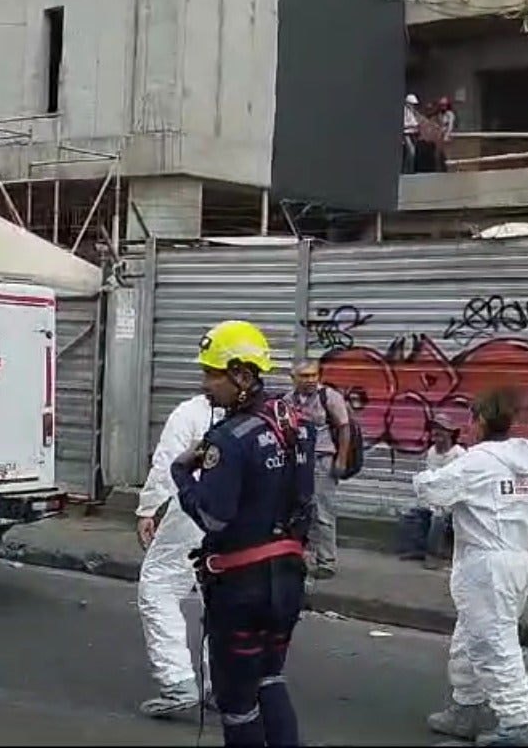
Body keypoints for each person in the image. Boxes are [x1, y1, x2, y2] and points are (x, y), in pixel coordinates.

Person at [172, 320, 316, 747]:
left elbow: (214, 518)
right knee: (270, 676)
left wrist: (183, 474)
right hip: (287, 578)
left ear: (242, 374)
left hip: (241, 587)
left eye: (211, 374)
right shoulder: (301, 423)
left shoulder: (229, 438)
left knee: (237, 701)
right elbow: (305, 500)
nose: (204, 386)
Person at [413, 389, 528, 747]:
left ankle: (518, 724)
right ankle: (467, 706)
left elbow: (433, 492)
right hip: (516, 561)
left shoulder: (476, 462)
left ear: (477, 420)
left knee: (494, 644)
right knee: (470, 639)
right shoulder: (526, 467)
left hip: (486, 565)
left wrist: (422, 478)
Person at [136, 392, 221, 717]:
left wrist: (148, 509)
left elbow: (168, 464)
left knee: (158, 587)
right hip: (245, 519)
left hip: (193, 511)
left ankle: (177, 681)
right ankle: (224, 682)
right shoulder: (266, 416)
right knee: (221, 597)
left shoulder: (191, 413)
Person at [285, 359, 353, 580]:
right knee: (298, 510)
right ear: (293, 377)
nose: (311, 380)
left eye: (314, 375)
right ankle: (299, 557)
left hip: (323, 459)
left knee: (323, 511)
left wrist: (341, 459)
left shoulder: (329, 397)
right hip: (298, 461)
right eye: (304, 376)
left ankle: (327, 561)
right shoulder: (288, 400)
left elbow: (344, 428)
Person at [397, 412, 463, 567]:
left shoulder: (459, 454)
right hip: (435, 498)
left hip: (452, 501)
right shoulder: (432, 452)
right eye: (434, 429)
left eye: (441, 429)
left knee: (438, 517)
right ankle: (419, 549)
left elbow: (460, 484)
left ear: (450, 433)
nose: (436, 432)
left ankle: (434, 556)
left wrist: (443, 500)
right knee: (408, 512)